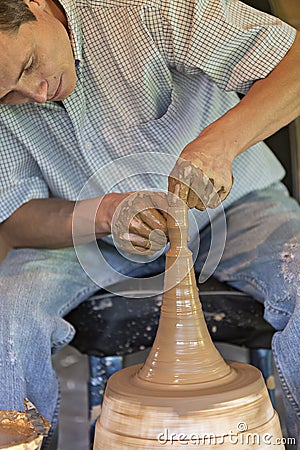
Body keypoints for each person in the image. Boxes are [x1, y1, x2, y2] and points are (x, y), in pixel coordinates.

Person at [0, 0, 299, 447]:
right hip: (87, 235)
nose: (36, 93)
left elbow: (293, 62)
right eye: (8, 95)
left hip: (238, 206)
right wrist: (105, 213)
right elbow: (14, 219)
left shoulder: (138, 8)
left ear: (36, 4)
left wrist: (221, 142)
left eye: (29, 64)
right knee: (7, 316)